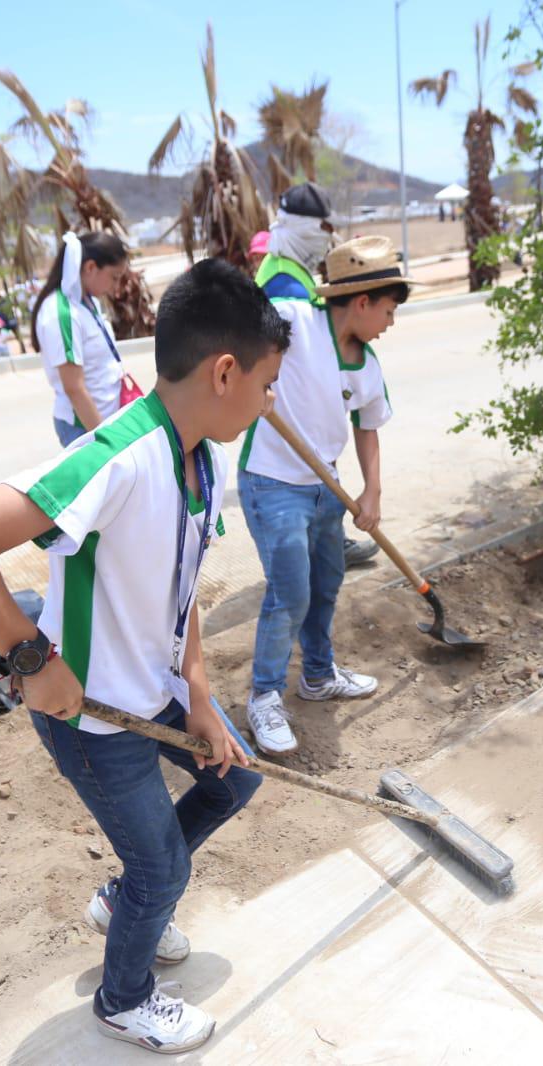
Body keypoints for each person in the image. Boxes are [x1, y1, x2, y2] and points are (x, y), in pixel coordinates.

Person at [0, 258, 289, 1054]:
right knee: (163, 873)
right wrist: (29, 656)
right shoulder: (115, 457)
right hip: (92, 720)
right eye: (267, 381)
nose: (269, 400)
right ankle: (124, 998)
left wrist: (201, 692)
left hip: (157, 690)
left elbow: (180, 593)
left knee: (235, 778)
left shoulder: (201, 461)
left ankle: (125, 903)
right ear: (225, 372)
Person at [237, 236, 417, 754]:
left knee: (325, 585)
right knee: (289, 591)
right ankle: (265, 696)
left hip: (326, 489)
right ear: (360, 303)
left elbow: (368, 428)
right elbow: (238, 330)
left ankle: (317, 674)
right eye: (387, 310)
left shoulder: (368, 365)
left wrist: (372, 493)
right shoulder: (293, 318)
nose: (389, 322)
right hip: (273, 482)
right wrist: (256, 378)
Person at [255, 183, 381, 568]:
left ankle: (328, 543)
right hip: (289, 420)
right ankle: (321, 551)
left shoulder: (293, 268)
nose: (324, 241)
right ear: (297, 228)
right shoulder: (282, 282)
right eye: (319, 231)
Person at [33, 232, 132, 447]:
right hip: (86, 428)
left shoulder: (86, 302)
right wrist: (107, 442)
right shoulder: (62, 314)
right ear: (90, 268)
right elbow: (74, 388)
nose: (115, 287)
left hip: (104, 420)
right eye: (114, 277)